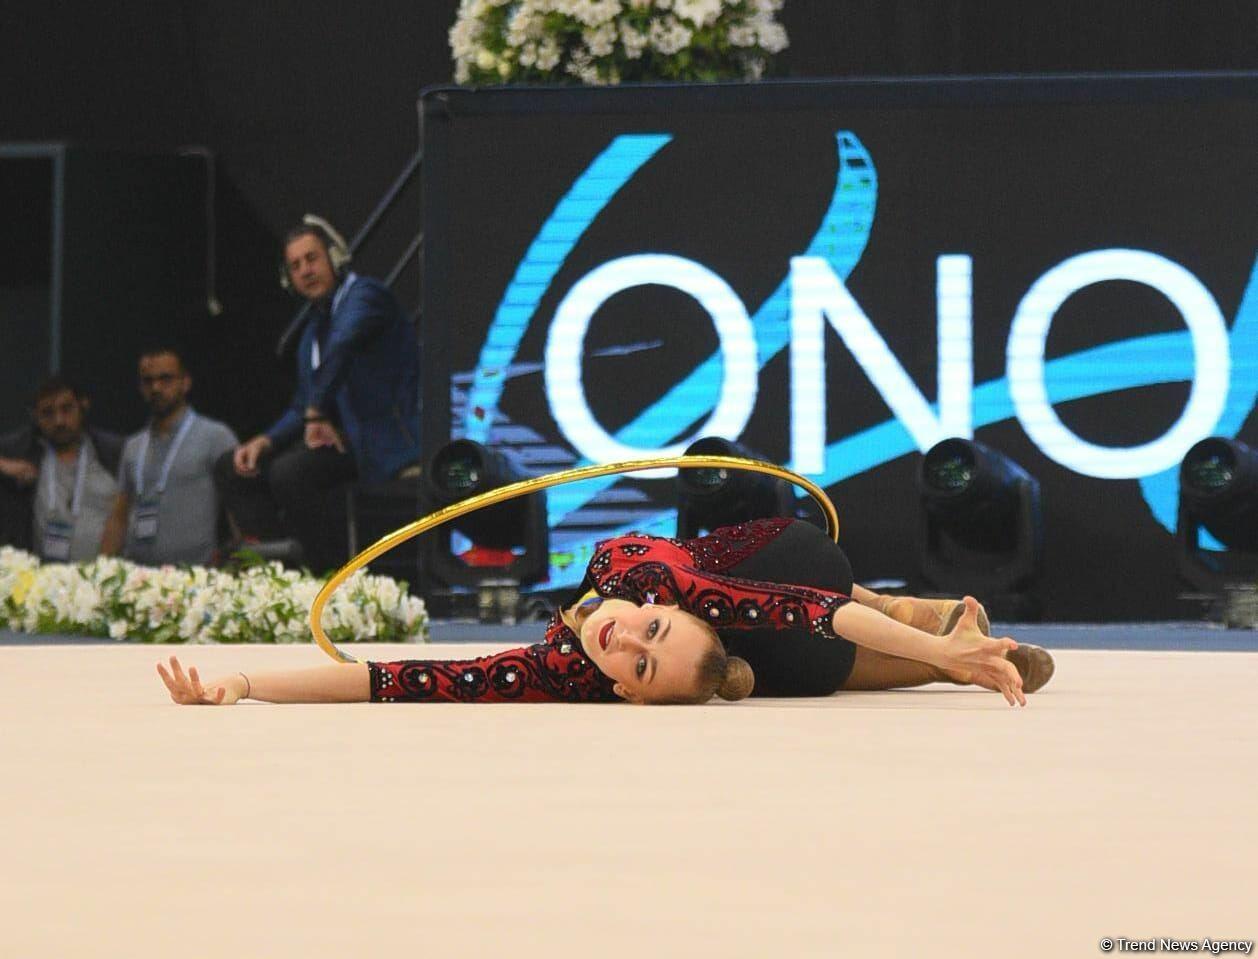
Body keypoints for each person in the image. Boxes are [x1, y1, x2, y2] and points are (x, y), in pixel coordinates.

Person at [157, 518, 1055, 708]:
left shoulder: (650, 578)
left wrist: (244, 678)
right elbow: (395, 679)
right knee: (811, 669)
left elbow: (820, 608)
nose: (623, 637)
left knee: (814, 602)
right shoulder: (567, 671)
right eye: (639, 663)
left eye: (648, 635)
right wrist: (244, 684)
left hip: (779, 558)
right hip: (776, 653)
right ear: (626, 694)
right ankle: (960, 660)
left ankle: (927, 618)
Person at [214, 215, 421, 573]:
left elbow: (343, 344)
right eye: (295, 266)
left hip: (391, 448)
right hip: (353, 446)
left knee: (290, 473)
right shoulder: (312, 331)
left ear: (335, 258)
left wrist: (317, 413)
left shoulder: (366, 295)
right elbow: (303, 403)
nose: (305, 271)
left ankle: (327, 575)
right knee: (233, 467)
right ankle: (281, 573)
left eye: (312, 258)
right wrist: (264, 441)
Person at [101, 347, 238, 566]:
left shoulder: (216, 436)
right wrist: (100, 569)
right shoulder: (133, 446)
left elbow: (237, 508)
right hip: (138, 577)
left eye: (165, 379)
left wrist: (247, 567)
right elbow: (119, 516)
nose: (156, 388)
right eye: (148, 381)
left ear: (186, 382)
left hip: (196, 577)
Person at [0, 375, 123, 560]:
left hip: (103, 572)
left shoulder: (111, 451)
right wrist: (3, 464)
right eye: (47, 413)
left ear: (83, 406)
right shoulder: (23, 450)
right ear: (35, 416)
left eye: (66, 409)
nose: (59, 421)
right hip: (38, 574)